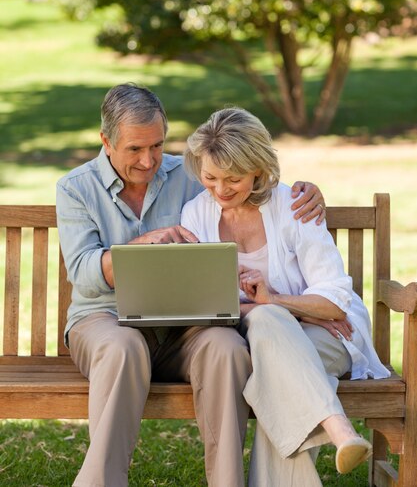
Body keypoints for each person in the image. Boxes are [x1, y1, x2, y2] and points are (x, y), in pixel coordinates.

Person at [56, 83, 326, 487]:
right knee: (124, 346)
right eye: (135, 149)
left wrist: (303, 193)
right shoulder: (76, 188)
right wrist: (138, 247)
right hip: (106, 321)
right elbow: (83, 272)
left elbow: (243, 186)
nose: (149, 161)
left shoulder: (188, 174)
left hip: (185, 327)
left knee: (227, 348)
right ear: (106, 142)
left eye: (158, 146)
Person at [181, 106, 391, 487]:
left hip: (332, 337)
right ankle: (337, 427)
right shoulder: (196, 213)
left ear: (258, 170)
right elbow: (204, 302)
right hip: (267, 346)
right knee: (274, 365)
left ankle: (336, 428)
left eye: (234, 178)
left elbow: (334, 303)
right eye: (210, 177)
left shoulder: (294, 206)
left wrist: (275, 301)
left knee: (269, 335)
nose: (220, 190)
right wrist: (292, 311)